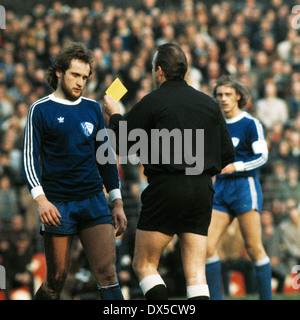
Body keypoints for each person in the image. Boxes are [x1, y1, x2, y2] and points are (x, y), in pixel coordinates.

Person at [103, 43, 235, 300]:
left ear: (159, 71)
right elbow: (227, 154)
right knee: (196, 274)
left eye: (153, 69)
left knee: (144, 265)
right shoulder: (208, 104)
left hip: (166, 188)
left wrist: (115, 115)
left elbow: (122, 142)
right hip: (202, 189)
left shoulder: (153, 101)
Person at [22, 42, 127, 300]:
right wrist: (41, 200)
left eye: (85, 77)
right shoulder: (40, 109)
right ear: (59, 72)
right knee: (56, 280)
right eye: (75, 75)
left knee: (108, 274)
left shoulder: (92, 108)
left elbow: (105, 158)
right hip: (58, 205)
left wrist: (117, 200)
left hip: (93, 200)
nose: (81, 82)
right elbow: (29, 158)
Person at [206, 77, 272, 300]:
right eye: (219, 95)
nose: (223, 99)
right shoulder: (216, 124)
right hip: (222, 189)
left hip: (245, 187)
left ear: (238, 96)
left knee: (254, 248)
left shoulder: (250, 123)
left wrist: (237, 166)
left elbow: (262, 156)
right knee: (206, 246)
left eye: (227, 94)